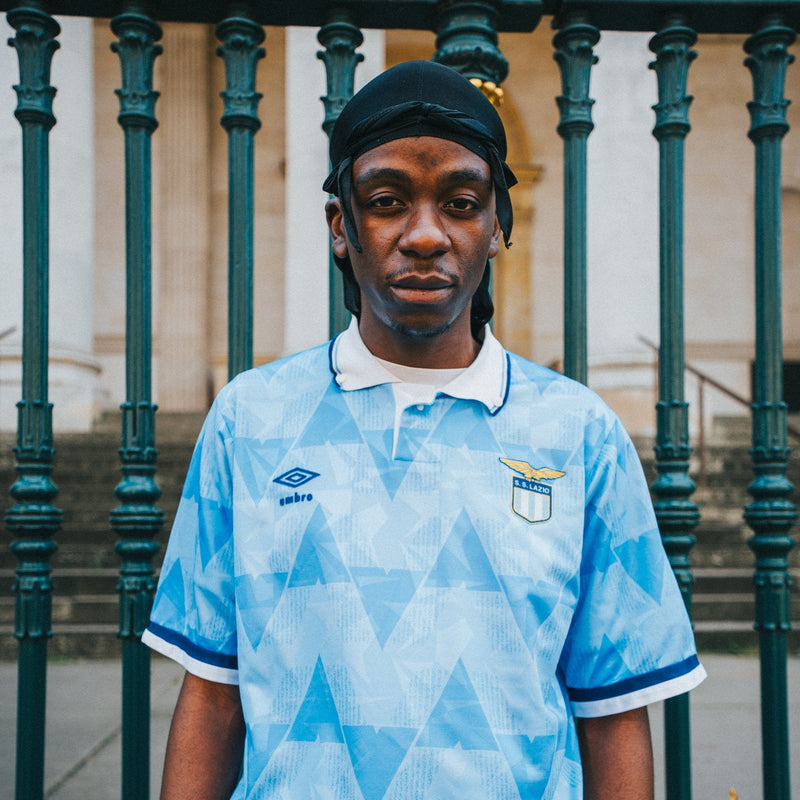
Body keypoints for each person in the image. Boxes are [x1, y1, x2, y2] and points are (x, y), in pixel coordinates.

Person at [142, 60, 706, 800]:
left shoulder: (581, 435)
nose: (426, 235)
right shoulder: (252, 420)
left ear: (498, 224)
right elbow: (214, 694)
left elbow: (613, 714)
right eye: (385, 200)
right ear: (341, 226)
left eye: (462, 202)